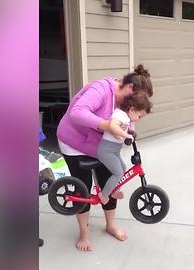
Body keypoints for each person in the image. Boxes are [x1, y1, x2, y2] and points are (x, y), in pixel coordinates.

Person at [56, 64, 153, 251]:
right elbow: (77, 112)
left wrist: (130, 130)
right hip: (74, 143)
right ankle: (84, 234)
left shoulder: (127, 103)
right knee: (82, 187)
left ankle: (110, 225)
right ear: (129, 88)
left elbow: (130, 119)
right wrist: (106, 125)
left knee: (110, 181)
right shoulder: (100, 89)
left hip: (101, 147)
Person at [97, 92, 152, 204]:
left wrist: (129, 132)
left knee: (123, 169)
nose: (139, 119)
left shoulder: (125, 117)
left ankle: (115, 191)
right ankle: (103, 195)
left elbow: (120, 129)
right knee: (118, 173)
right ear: (131, 110)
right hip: (106, 151)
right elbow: (112, 126)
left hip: (114, 150)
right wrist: (126, 135)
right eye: (139, 116)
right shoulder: (120, 115)